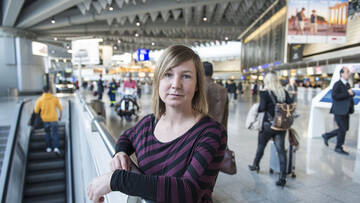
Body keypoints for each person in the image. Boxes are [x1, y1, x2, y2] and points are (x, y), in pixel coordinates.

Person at [87, 45, 227, 202]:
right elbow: (126, 136)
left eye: (186, 76)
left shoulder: (211, 133)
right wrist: (120, 152)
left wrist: (116, 180)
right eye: (168, 74)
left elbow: (188, 191)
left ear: (197, 86)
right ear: (158, 81)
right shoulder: (149, 123)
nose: (176, 84)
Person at [248, 72, 293, 187]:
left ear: (266, 81)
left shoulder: (265, 92)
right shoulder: (284, 92)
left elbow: (262, 108)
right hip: (281, 126)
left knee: (261, 146)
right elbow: (290, 106)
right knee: (281, 150)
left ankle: (255, 165)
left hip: (268, 125)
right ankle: (282, 176)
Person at [322, 67, 354, 155]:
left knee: (344, 129)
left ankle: (327, 135)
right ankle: (338, 147)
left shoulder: (347, 84)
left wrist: (352, 94)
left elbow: (349, 94)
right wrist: (348, 93)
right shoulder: (337, 84)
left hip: (346, 110)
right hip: (339, 111)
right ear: (342, 74)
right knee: (342, 129)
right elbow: (335, 96)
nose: (349, 73)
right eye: (347, 72)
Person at [34, 86, 63, 154]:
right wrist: (60, 117)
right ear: (49, 91)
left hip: (45, 120)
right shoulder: (54, 99)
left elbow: (36, 111)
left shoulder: (40, 100)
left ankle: (48, 148)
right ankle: (56, 148)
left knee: (47, 133)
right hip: (54, 119)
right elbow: (60, 109)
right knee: (55, 133)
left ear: (43, 91)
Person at [203, 61, 229, 128]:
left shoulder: (196, 89)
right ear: (212, 72)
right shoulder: (223, 90)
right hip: (217, 131)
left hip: (199, 133)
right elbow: (225, 117)